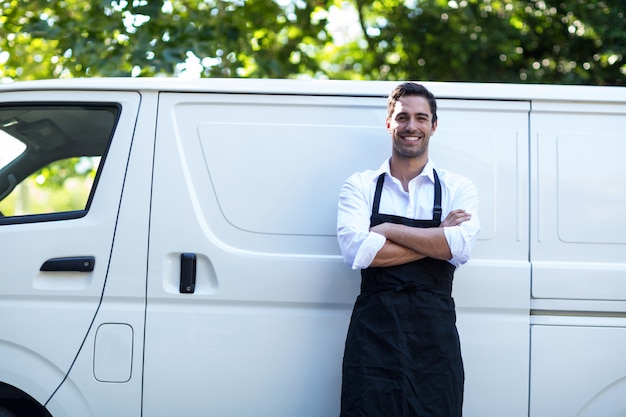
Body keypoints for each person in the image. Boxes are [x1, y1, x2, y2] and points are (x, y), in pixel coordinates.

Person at [336, 82, 480, 417]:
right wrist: (436, 236)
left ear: (433, 125)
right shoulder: (360, 185)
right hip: (374, 333)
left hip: (435, 338)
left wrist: (386, 231)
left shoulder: (458, 187)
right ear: (389, 123)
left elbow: (459, 246)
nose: (411, 126)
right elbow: (359, 253)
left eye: (420, 117)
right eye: (402, 117)